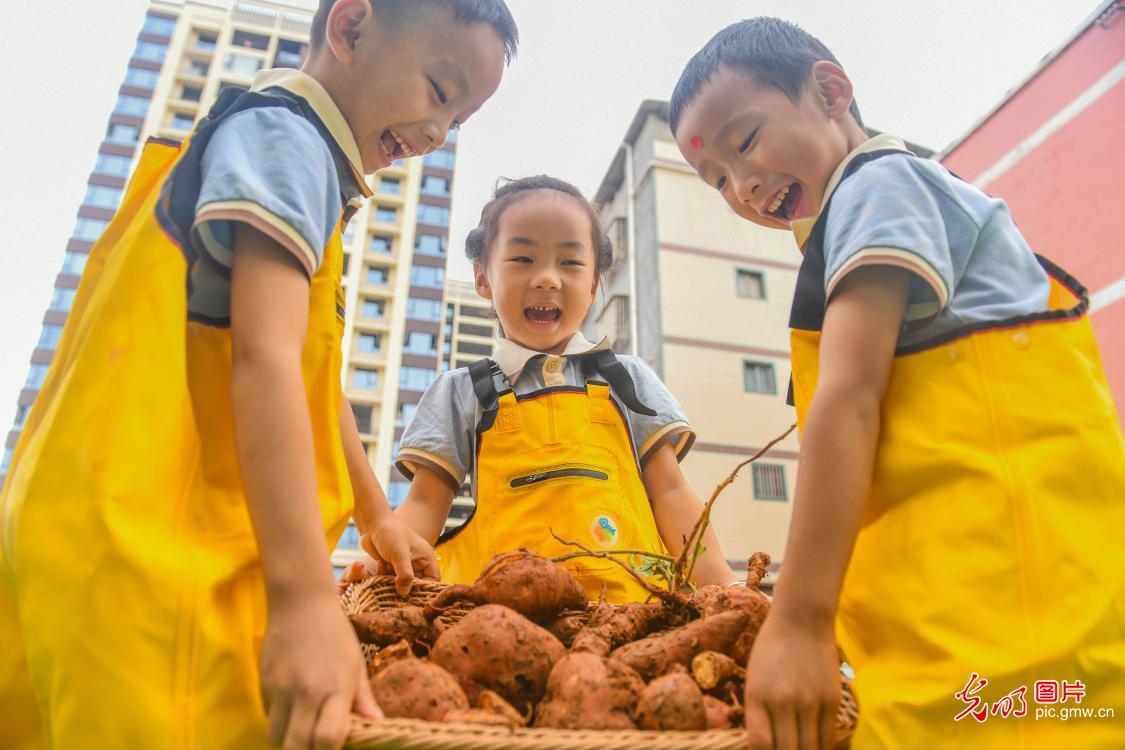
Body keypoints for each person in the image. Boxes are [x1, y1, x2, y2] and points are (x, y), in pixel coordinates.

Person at [0, 1, 516, 748]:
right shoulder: (289, 141)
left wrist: (376, 517)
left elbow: (309, 374)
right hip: (153, 554)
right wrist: (305, 601)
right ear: (349, 26)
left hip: (86, 536)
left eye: (459, 121)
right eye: (440, 92)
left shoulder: (273, 146)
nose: (438, 134)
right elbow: (265, 360)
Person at [669, 16, 1125, 750]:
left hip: (1008, 637)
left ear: (829, 91)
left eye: (745, 142)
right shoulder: (866, 214)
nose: (742, 184)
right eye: (716, 178)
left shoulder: (882, 186)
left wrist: (799, 620)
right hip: (967, 629)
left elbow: (848, 401)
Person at [389, 175, 739, 603]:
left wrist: (723, 583)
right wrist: (386, 562)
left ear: (593, 285)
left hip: (637, 614)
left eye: (570, 263)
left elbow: (670, 491)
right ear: (482, 278)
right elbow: (425, 504)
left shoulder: (627, 378)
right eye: (522, 258)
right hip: (501, 620)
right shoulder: (461, 392)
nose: (548, 279)